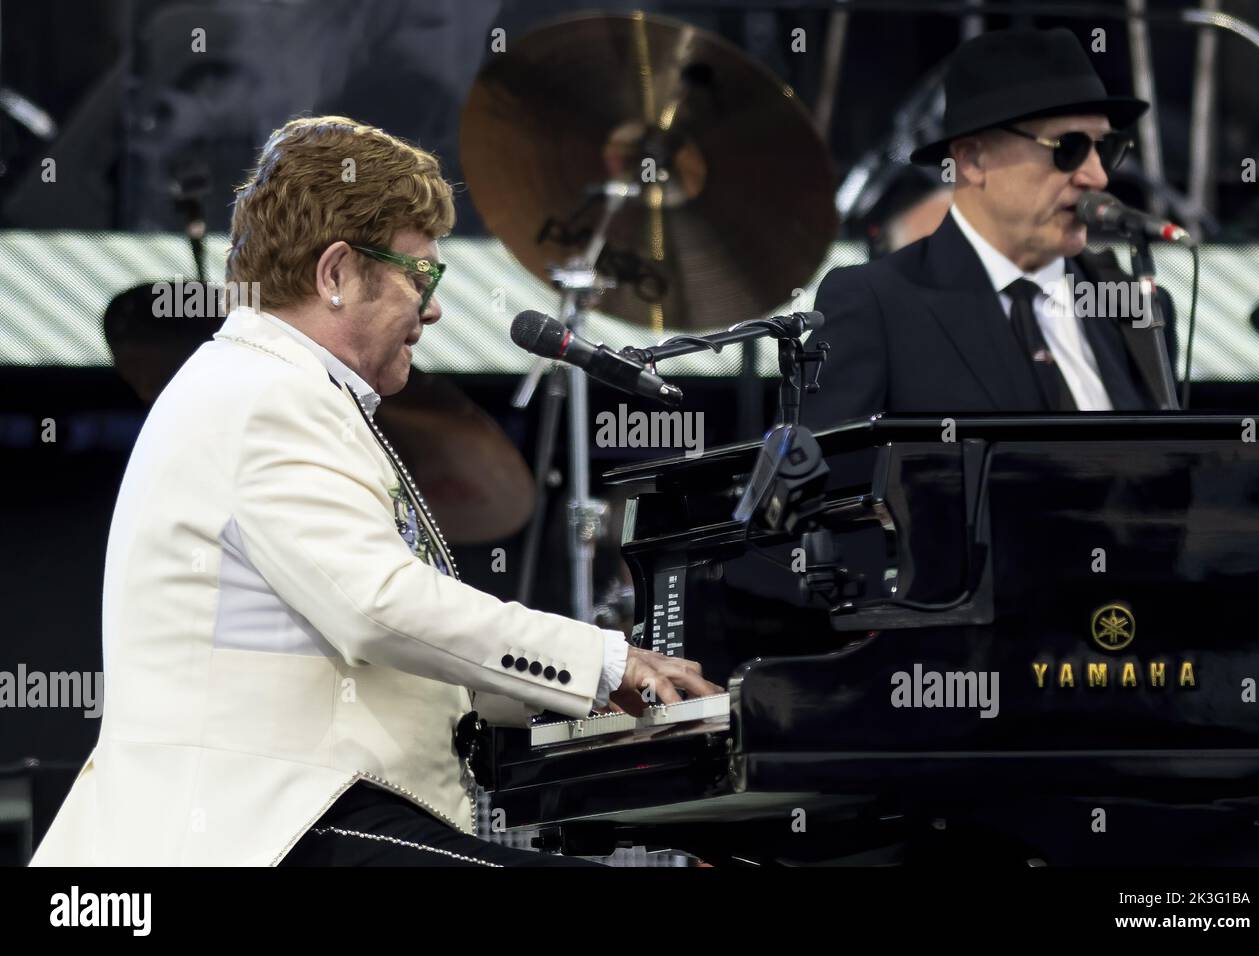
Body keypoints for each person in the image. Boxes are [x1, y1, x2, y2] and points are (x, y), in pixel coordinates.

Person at [31, 115, 720, 867]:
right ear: (335, 273)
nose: (433, 308)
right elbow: (377, 608)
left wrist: (587, 698)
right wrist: (604, 661)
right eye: (421, 275)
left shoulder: (276, 387)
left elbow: (388, 656)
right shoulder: (265, 394)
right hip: (257, 836)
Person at [805, 28, 1176, 428]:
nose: (1097, 176)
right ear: (972, 160)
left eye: (1106, 148)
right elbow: (826, 480)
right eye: (1068, 148)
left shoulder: (1133, 306)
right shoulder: (876, 305)